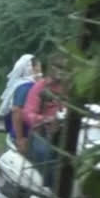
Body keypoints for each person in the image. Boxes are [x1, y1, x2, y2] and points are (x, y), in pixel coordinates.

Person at [21, 54, 67, 188]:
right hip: (41, 134)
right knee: (46, 153)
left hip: (64, 133)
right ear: (50, 68)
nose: (61, 71)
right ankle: (50, 191)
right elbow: (28, 114)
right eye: (58, 67)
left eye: (64, 68)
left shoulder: (69, 89)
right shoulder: (40, 87)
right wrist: (46, 119)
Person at [0, 54, 43, 154]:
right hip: (24, 137)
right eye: (38, 69)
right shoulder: (26, 87)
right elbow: (17, 110)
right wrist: (20, 139)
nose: (40, 72)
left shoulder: (20, 84)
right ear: (31, 69)